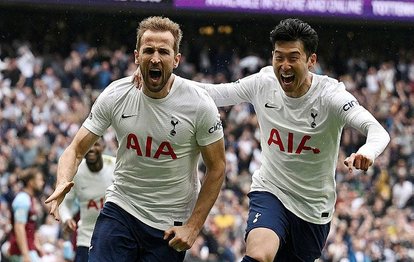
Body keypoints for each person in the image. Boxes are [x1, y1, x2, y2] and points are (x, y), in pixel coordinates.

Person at [135, 18, 390, 261]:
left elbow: (377, 130)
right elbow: (215, 94)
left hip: (313, 209)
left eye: (293, 58)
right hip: (271, 190)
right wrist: (166, 79)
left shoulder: (331, 96)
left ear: (311, 60)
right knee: (259, 254)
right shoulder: (263, 83)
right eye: (279, 57)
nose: (284, 66)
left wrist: (368, 151)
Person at [45, 16, 226, 262]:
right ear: (136, 57)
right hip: (122, 207)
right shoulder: (116, 94)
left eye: (163, 51)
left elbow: (217, 168)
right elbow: (76, 149)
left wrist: (193, 227)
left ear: (176, 59)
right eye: (148, 50)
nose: (154, 58)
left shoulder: (199, 104)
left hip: (168, 225)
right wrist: (62, 182)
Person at [59, 138, 116, 262]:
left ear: (104, 146)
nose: (91, 148)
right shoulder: (75, 172)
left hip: (113, 236)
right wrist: (67, 218)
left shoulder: (115, 166)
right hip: (86, 238)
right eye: (87, 145)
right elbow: (64, 202)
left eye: (95, 144)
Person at [8, 168, 45, 262]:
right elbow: (19, 227)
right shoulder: (22, 199)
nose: (42, 183)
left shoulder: (29, 199)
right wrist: (25, 255)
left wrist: (37, 246)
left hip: (29, 249)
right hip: (20, 252)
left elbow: (30, 227)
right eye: (39, 180)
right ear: (31, 182)